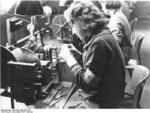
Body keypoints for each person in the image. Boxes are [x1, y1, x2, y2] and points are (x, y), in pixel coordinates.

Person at [59, 1, 125, 108]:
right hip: (111, 91)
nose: (72, 31)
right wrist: (79, 55)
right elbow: (98, 66)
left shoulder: (100, 43)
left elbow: (87, 85)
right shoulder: (102, 33)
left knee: (65, 106)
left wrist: (70, 60)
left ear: (82, 22)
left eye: (72, 23)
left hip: (107, 100)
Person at [101, 1, 132, 65]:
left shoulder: (116, 19)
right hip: (126, 52)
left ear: (108, 4)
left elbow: (116, 41)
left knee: (96, 60)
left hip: (123, 56)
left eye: (102, 4)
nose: (101, 8)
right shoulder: (119, 14)